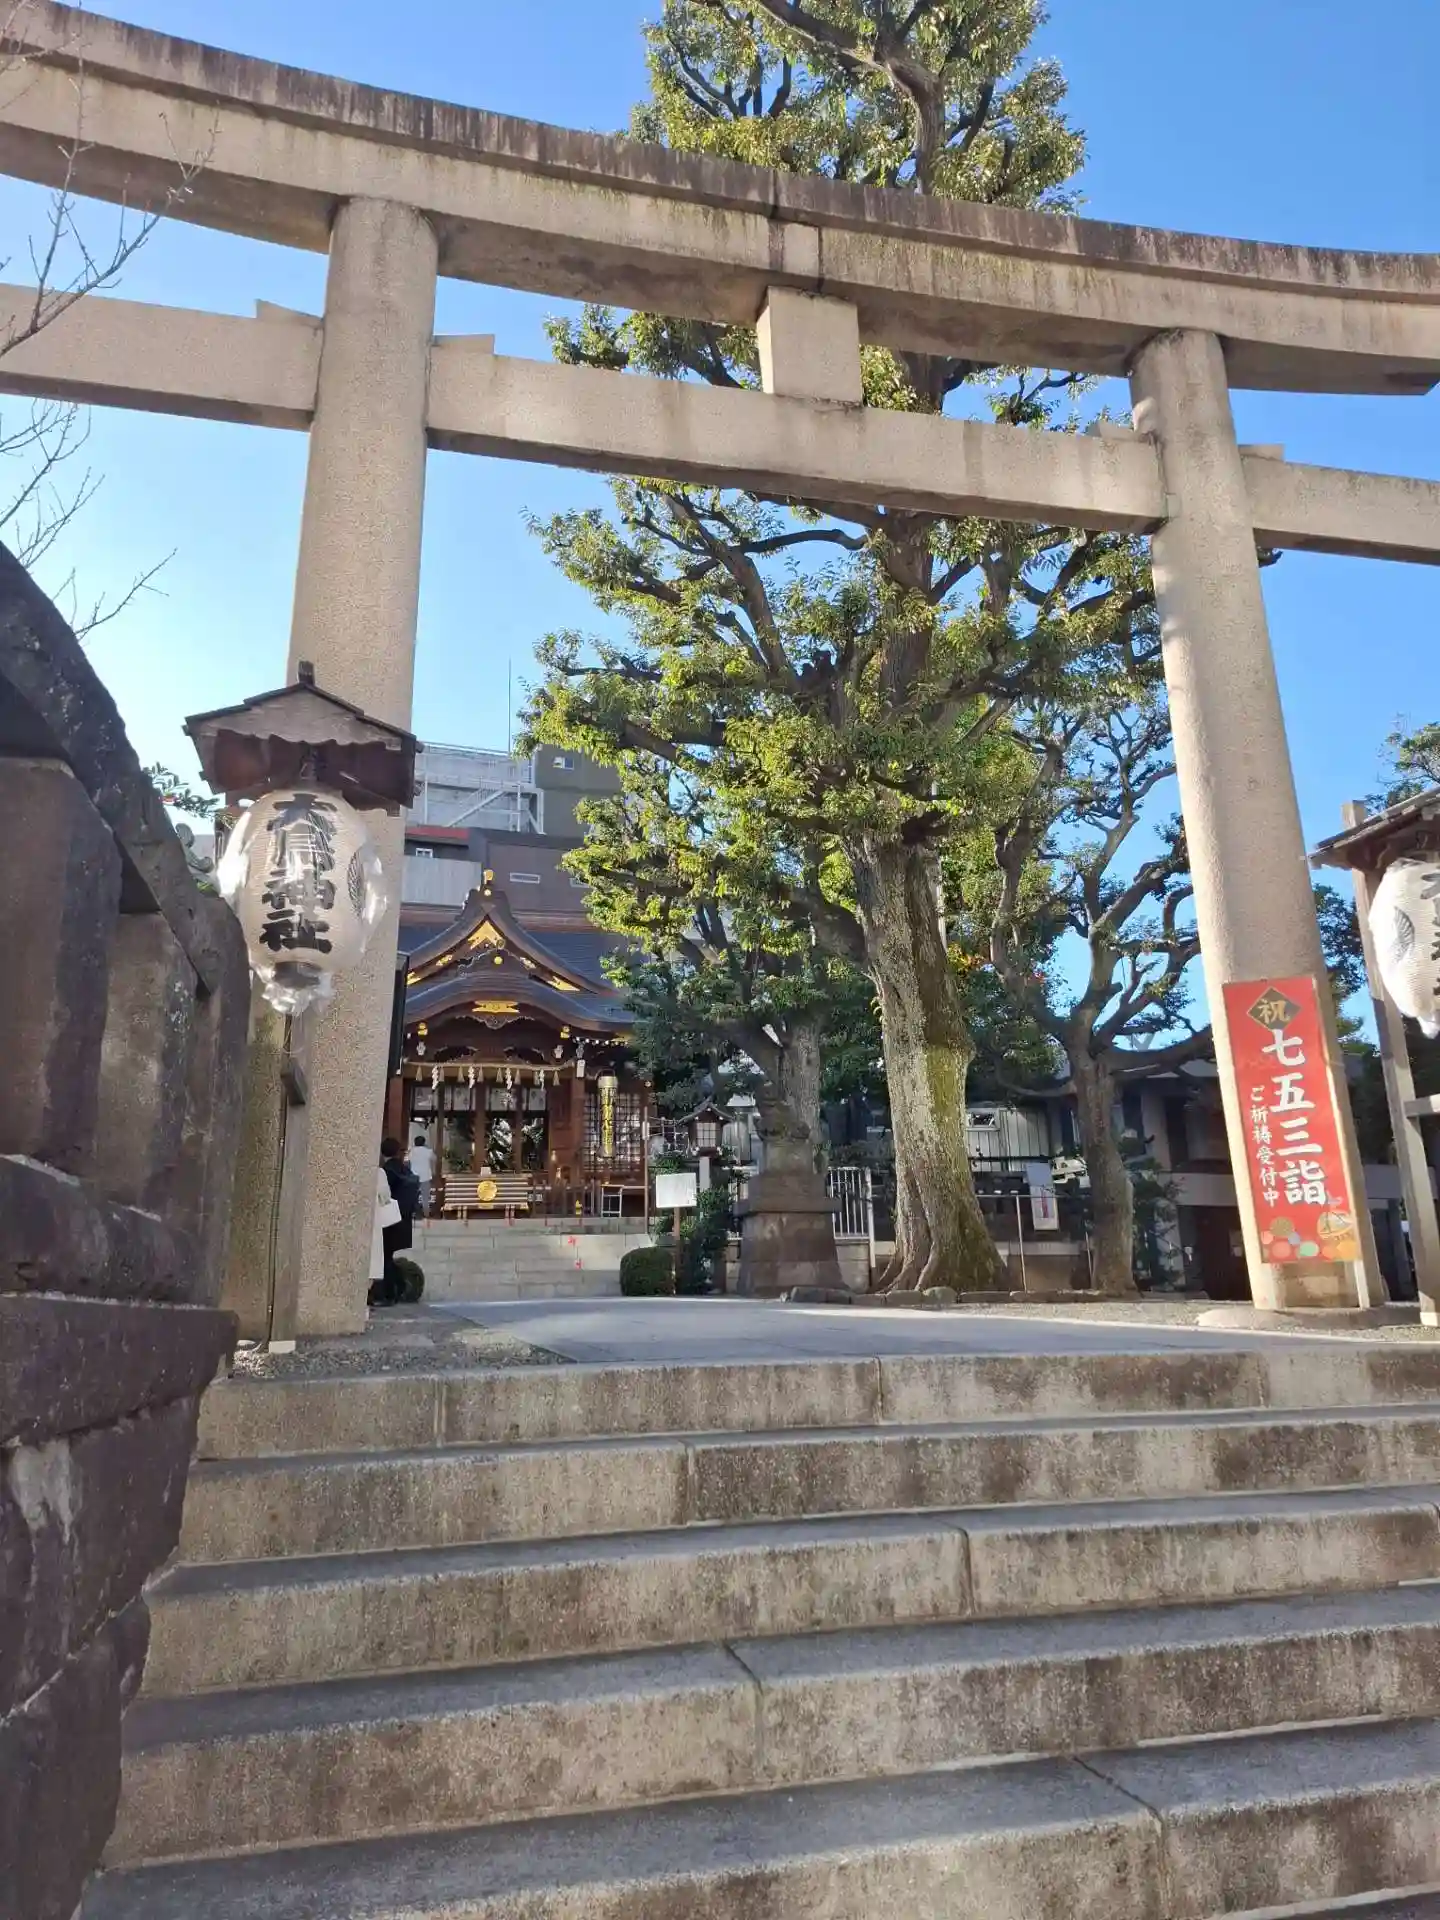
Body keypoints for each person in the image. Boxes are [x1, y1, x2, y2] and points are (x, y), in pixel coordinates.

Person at [375, 1136, 421, 1306]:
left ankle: (388, 1295)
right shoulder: (405, 1170)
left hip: (387, 1220)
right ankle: (400, 1287)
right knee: (388, 1257)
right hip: (402, 1220)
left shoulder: (386, 1171)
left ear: (382, 1152)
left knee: (385, 1258)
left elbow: (384, 1196)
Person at [409, 1132, 435, 1218]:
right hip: (425, 1176)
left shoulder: (411, 1151)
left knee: (413, 1195)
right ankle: (426, 1212)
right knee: (425, 1196)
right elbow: (434, 1159)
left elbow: (408, 1160)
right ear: (424, 1142)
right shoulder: (428, 1151)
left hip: (414, 1176)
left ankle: (413, 1212)